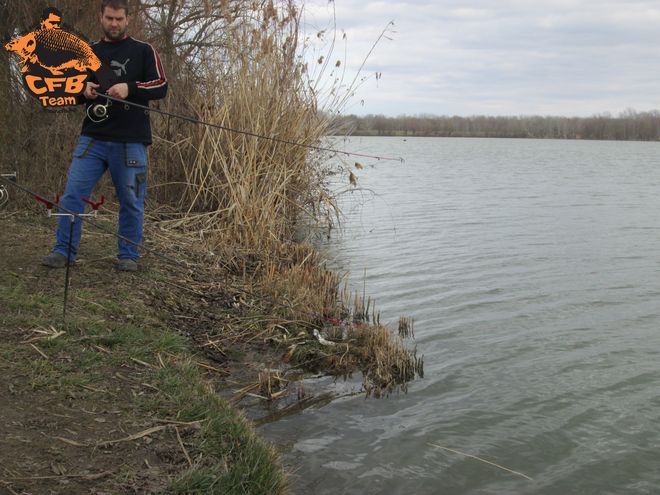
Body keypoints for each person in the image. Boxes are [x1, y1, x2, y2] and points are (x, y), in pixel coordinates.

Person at [42, 0, 167, 272]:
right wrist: (82, 90)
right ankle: (63, 251)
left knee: (132, 202)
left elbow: (160, 85)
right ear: (101, 17)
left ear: (128, 19)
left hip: (131, 142)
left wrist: (129, 87)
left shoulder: (144, 51)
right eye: (109, 18)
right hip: (93, 140)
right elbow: (69, 91)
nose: (114, 23)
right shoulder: (89, 53)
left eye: (119, 19)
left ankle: (128, 255)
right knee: (72, 195)